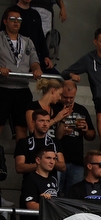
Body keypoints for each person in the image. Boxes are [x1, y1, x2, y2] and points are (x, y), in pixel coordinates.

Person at [0, 7, 42, 141]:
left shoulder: (27, 41)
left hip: (22, 88)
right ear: (5, 21)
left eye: (19, 20)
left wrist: (36, 69)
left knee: (22, 127)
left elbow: (34, 61)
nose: (16, 22)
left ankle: (21, 158)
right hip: (3, 87)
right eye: (12, 19)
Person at [57, 80, 96, 191]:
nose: (68, 100)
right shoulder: (54, 107)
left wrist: (86, 130)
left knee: (74, 196)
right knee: (55, 195)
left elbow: (92, 135)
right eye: (65, 97)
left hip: (76, 161)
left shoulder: (81, 109)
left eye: (71, 97)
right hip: (57, 160)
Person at [15, 110, 64, 174]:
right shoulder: (23, 142)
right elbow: (19, 167)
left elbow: (63, 167)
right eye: (41, 121)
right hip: (30, 181)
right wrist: (42, 164)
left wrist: (46, 162)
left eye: (48, 121)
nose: (45, 124)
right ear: (33, 123)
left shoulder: (55, 141)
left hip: (51, 181)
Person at [20, 145, 58, 210]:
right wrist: (51, 208)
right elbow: (31, 205)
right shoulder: (30, 179)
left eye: (54, 159)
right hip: (34, 219)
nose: (52, 162)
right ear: (38, 160)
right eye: (48, 158)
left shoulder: (53, 180)